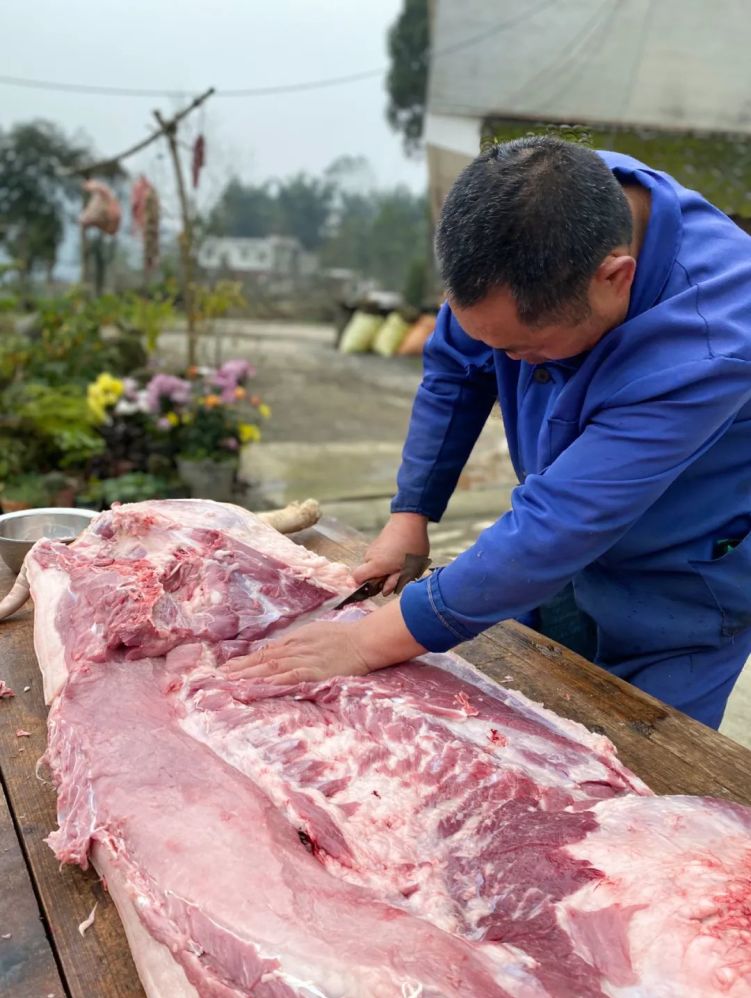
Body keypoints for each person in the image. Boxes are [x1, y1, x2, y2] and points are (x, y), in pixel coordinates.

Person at [225, 136, 751, 730]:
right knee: (510, 734)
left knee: (646, 780)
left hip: (678, 584)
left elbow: (561, 523)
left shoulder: (713, 337)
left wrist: (364, 643)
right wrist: (411, 513)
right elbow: (454, 367)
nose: (513, 364)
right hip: (549, 549)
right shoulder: (522, 223)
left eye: (525, 348)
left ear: (614, 278)